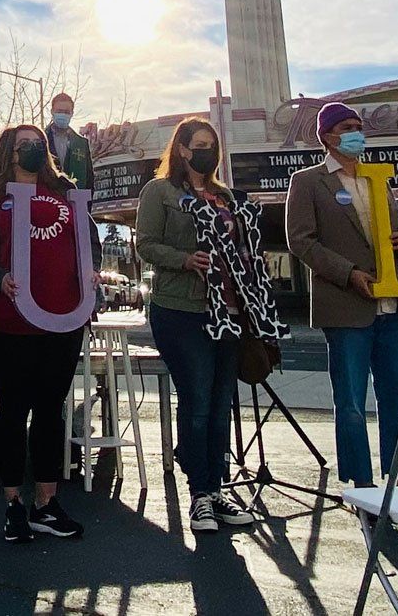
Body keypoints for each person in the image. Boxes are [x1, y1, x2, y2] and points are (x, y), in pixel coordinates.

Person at [0, 124, 89, 544]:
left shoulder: (67, 191)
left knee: (52, 410)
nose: (32, 150)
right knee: (13, 410)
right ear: (10, 152)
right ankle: (14, 503)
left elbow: (89, 243)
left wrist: (91, 279)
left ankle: (46, 504)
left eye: (39, 145)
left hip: (63, 320)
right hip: (9, 322)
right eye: (24, 145)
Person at [134, 117, 259, 531]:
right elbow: (146, 244)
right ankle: (199, 494)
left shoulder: (226, 195)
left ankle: (218, 489)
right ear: (182, 149)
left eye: (211, 144)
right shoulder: (159, 191)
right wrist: (185, 259)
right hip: (180, 309)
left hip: (229, 309)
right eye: (198, 144)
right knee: (198, 398)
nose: (206, 150)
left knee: (222, 400)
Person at [284, 103, 398, 489]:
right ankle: (361, 483)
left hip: (394, 307)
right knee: (352, 403)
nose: (357, 132)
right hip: (347, 306)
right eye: (347, 126)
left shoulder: (379, 180)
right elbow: (301, 241)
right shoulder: (308, 182)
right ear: (327, 135)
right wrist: (348, 274)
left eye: (360, 126)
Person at [46, 92, 94, 191]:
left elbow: (89, 180)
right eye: (59, 111)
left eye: (66, 112)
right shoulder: (41, 139)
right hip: (49, 197)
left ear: (72, 113)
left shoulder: (81, 143)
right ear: (52, 112)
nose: (63, 115)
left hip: (76, 199)